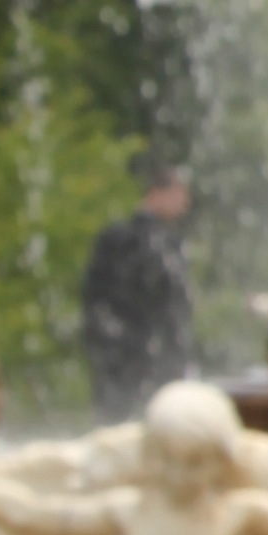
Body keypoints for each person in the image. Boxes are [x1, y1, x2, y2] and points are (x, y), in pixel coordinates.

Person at [78, 163, 196, 419]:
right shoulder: (139, 240)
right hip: (133, 354)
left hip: (132, 353)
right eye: (180, 193)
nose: (186, 202)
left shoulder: (130, 238)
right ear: (157, 193)